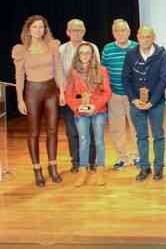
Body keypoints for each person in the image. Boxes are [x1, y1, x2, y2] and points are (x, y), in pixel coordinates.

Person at [13, 15, 65, 186]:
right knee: (34, 132)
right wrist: (20, 99)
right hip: (32, 92)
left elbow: (58, 69)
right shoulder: (21, 49)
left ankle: (53, 166)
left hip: (51, 91)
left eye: (41, 27)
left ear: (45, 29)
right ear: (28, 29)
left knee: (53, 130)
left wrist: (62, 91)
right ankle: (37, 170)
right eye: (35, 27)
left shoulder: (52, 45)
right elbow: (19, 76)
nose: (38, 30)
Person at [122, 25, 166, 182]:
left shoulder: (161, 54)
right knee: (141, 136)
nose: (145, 40)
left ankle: (159, 168)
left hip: (157, 103)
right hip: (136, 104)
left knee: (158, 136)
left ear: (153, 38)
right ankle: (144, 167)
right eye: (142, 37)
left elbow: (163, 79)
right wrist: (134, 99)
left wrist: (152, 101)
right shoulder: (130, 55)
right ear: (137, 37)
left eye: (148, 37)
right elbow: (125, 79)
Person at [64, 42, 111, 187]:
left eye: (87, 53)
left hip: (98, 111)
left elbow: (107, 93)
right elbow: (69, 94)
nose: (84, 55)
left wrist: (95, 106)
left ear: (92, 55)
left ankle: (100, 169)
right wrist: (78, 108)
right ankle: (82, 171)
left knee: (99, 141)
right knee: (84, 141)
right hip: (81, 111)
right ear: (78, 55)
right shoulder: (73, 72)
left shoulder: (102, 70)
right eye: (82, 53)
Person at [58, 19, 99, 174]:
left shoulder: (92, 47)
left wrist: (92, 96)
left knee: (91, 130)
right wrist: (62, 92)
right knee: (72, 132)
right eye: (74, 30)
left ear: (84, 31)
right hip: (70, 97)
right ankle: (76, 162)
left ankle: (92, 161)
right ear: (67, 32)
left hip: (89, 96)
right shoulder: (62, 50)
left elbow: (97, 71)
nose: (77, 33)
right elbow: (59, 74)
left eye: (80, 30)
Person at [101, 19, 138, 170]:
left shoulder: (136, 47)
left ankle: (138, 156)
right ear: (113, 33)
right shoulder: (108, 49)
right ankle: (122, 157)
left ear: (128, 32)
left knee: (137, 126)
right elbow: (103, 71)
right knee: (117, 128)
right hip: (114, 95)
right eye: (116, 30)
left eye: (123, 30)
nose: (120, 33)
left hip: (133, 96)